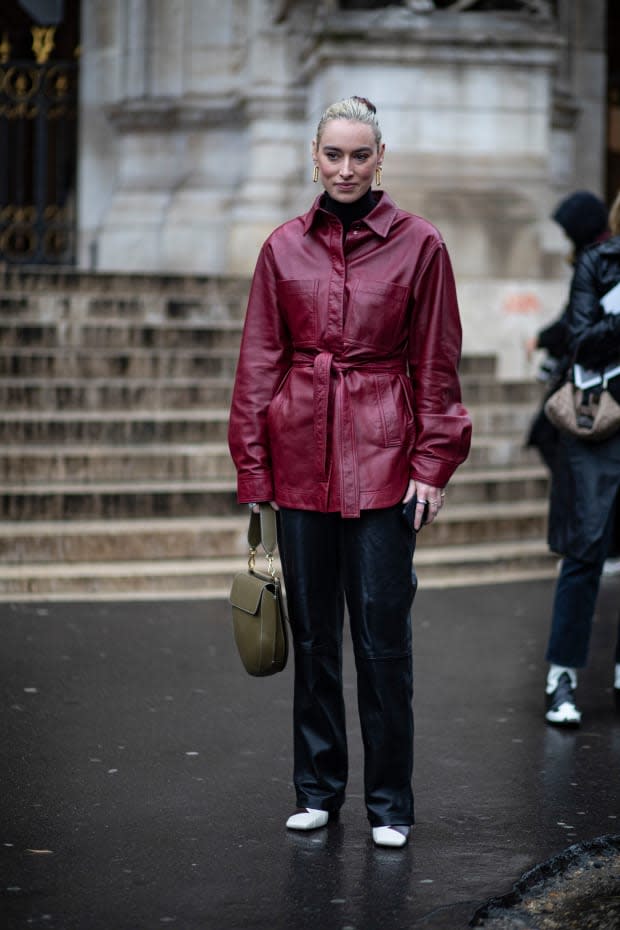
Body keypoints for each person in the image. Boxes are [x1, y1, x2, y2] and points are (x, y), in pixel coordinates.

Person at [228, 96, 471, 846]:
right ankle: (318, 789)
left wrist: (433, 462)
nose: (345, 168)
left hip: (386, 459)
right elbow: (259, 364)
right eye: (333, 154)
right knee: (312, 638)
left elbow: (437, 362)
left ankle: (390, 802)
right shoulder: (282, 249)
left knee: (382, 639)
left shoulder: (420, 245)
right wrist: (254, 469)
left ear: (380, 158)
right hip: (299, 451)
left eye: (359, 155)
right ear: (314, 156)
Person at [543, 189, 620, 727]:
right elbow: (581, 339)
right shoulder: (599, 261)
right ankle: (562, 676)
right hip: (601, 423)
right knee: (586, 548)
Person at [526, 191, 610, 474]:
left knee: (551, 435)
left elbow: (574, 321)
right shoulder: (595, 258)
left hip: (591, 375)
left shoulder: (597, 261)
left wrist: (542, 339)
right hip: (585, 372)